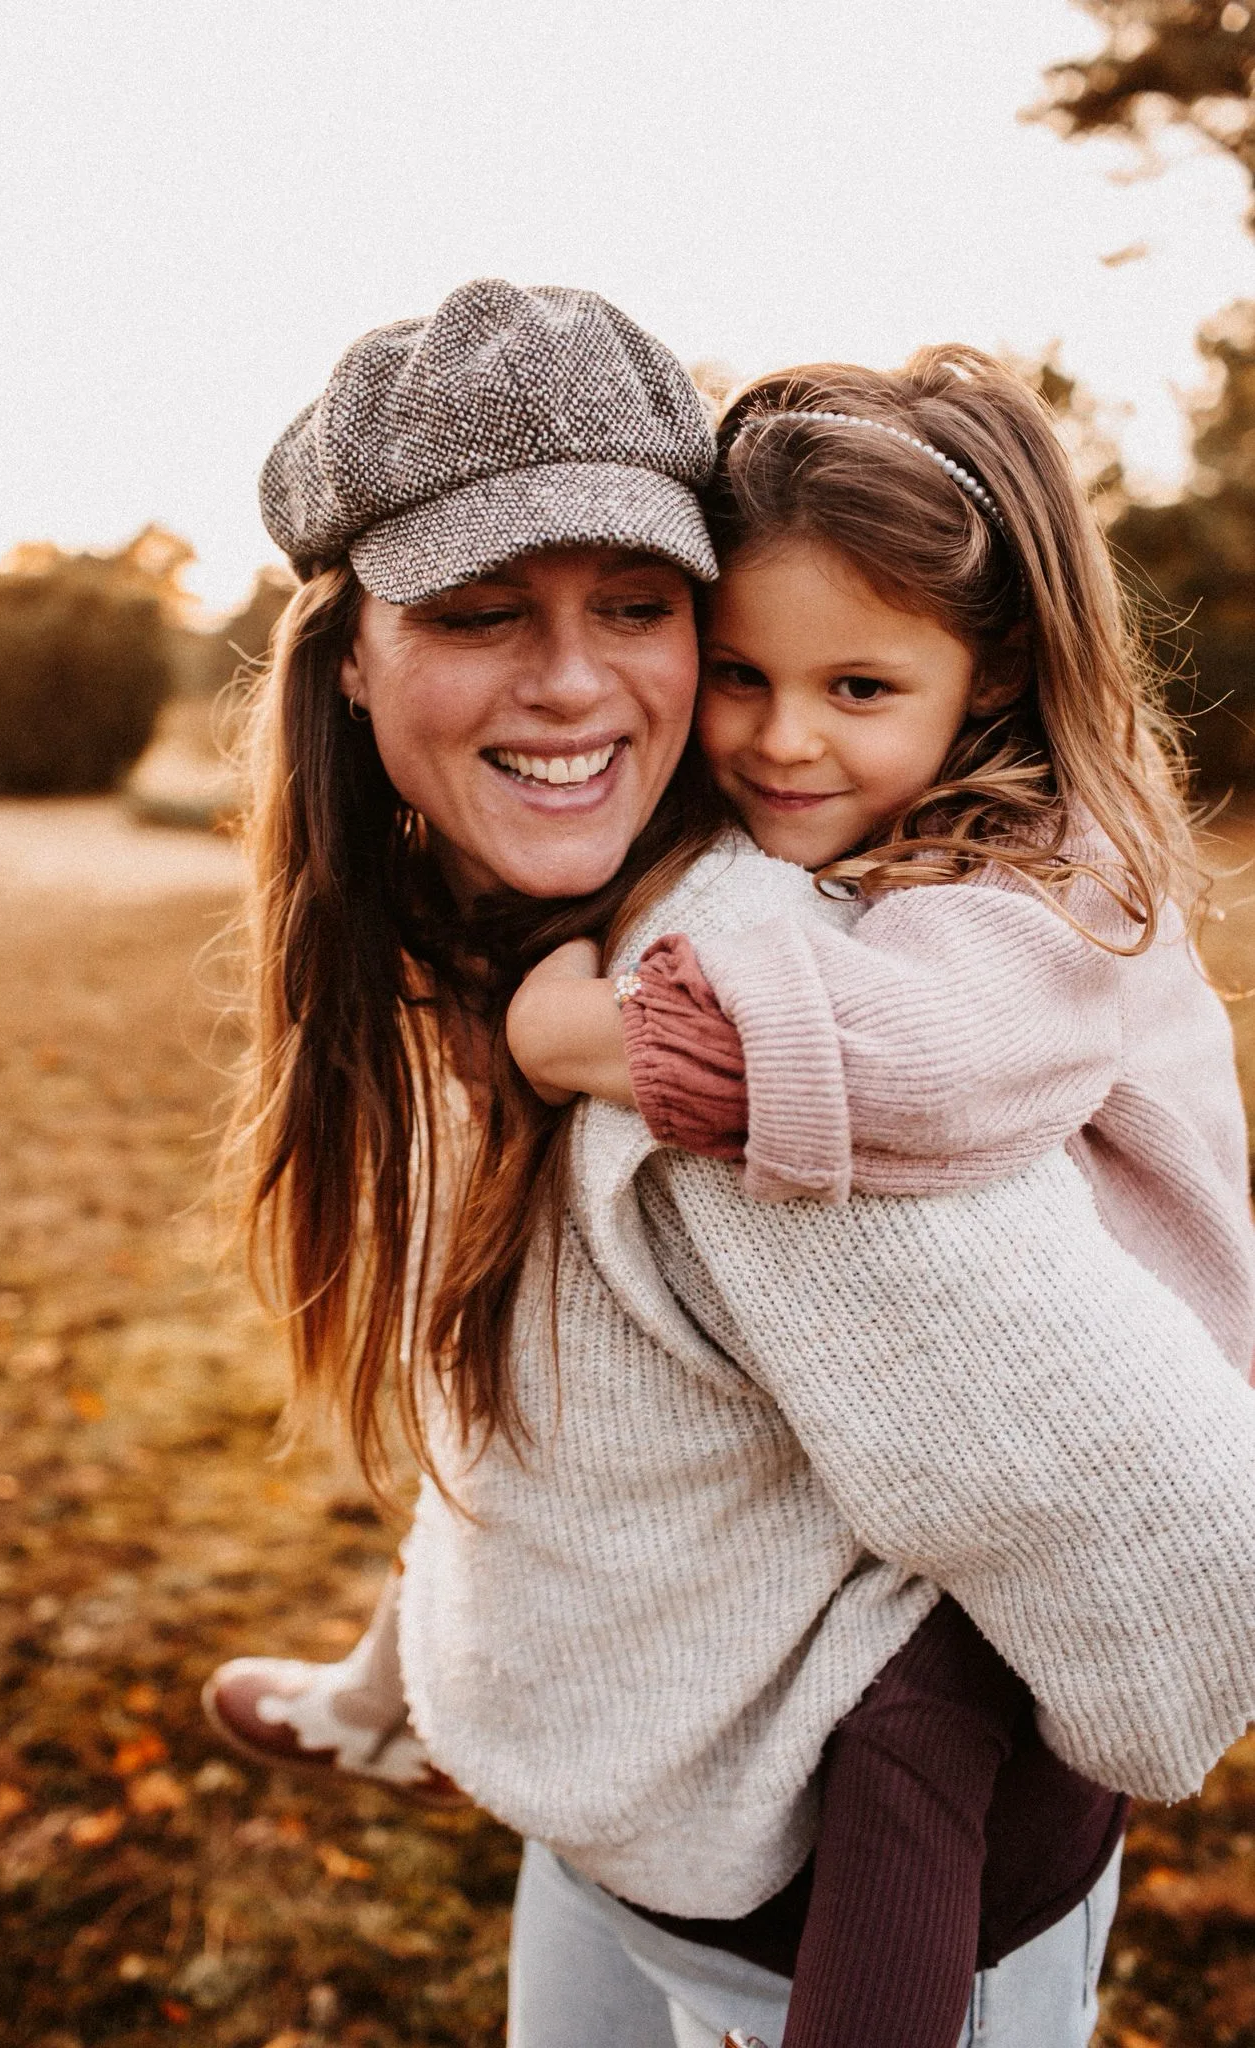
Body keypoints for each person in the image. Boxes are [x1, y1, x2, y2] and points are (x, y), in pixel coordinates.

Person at [207, 281, 1255, 2048]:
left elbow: (1140, 1524)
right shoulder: (614, 884)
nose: (776, 732)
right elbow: (553, 1427)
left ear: (976, 676)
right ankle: (398, 1688)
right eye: (476, 610)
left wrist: (597, 1040)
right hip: (637, 1806)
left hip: (822, 1880)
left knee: (934, 1730)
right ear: (350, 658)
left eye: (632, 607)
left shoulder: (867, 968)